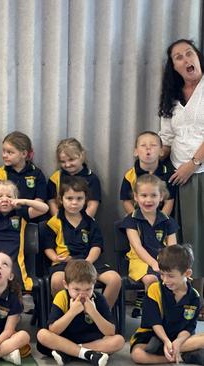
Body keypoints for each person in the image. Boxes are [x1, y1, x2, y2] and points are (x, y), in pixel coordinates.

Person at [158, 39, 204, 317]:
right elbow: (167, 139)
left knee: (201, 237)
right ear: (173, 66)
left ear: (198, 57)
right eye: (178, 57)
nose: (185, 59)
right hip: (176, 176)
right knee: (183, 239)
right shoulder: (171, 98)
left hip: (199, 172)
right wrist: (149, 154)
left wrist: (194, 162)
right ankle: (183, 297)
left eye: (189, 53)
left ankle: (199, 301)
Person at [41, 176, 121, 309]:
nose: (74, 203)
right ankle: (67, 316)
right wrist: (55, 257)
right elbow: (48, 247)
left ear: (85, 200)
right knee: (56, 280)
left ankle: (99, 315)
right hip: (65, 264)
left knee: (115, 279)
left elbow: (97, 246)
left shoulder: (91, 222)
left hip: (89, 262)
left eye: (79, 199)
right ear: (61, 200)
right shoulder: (54, 222)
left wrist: (88, 262)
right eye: (69, 198)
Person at [36, 260, 125, 366]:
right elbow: (53, 330)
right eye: (76, 289)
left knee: (119, 340)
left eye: (88, 289)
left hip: (91, 340)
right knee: (42, 335)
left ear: (94, 285)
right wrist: (72, 312)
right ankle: (88, 354)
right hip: (65, 338)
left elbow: (110, 332)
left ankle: (69, 352)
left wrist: (93, 312)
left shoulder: (99, 298)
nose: (82, 294)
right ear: (66, 285)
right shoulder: (62, 297)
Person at [130, 245, 204, 364]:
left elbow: (189, 327)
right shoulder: (154, 289)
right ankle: (181, 356)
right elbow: (155, 323)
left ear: (187, 273)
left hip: (178, 338)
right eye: (162, 274)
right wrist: (166, 341)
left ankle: (177, 350)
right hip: (153, 337)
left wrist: (178, 341)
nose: (165, 280)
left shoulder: (194, 296)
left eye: (171, 276)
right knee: (137, 355)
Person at [118, 174, 178, 318]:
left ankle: (173, 317)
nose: (148, 200)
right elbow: (138, 247)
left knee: (178, 279)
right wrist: (153, 263)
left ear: (161, 196)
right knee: (152, 280)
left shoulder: (167, 221)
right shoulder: (131, 220)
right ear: (136, 197)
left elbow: (172, 248)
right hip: (140, 261)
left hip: (163, 260)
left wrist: (167, 264)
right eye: (144, 195)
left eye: (153, 195)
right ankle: (153, 318)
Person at [120, 131, 176, 216]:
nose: (148, 148)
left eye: (153, 145)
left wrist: (160, 221)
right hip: (137, 218)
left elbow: (169, 202)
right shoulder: (130, 175)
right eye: (143, 145)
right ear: (136, 151)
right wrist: (137, 219)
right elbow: (127, 201)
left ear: (161, 151)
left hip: (161, 220)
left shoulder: (168, 175)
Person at [47, 138, 101, 217]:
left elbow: (92, 205)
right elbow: (52, 202)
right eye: (63, 161)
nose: (67, 164)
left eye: (71, 160)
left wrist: (81, 224)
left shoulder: (92, 179)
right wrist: (60, 222)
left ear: (82, 155)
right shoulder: (55, 178)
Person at [0, 131, 47, 205]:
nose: (4, 155)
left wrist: (28, 213)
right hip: (7, 213)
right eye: (3, 151)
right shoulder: (1, 173)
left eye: (10, 152)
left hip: (32, 213)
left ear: (24, 154)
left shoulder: (37, 174)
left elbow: (40, 200)